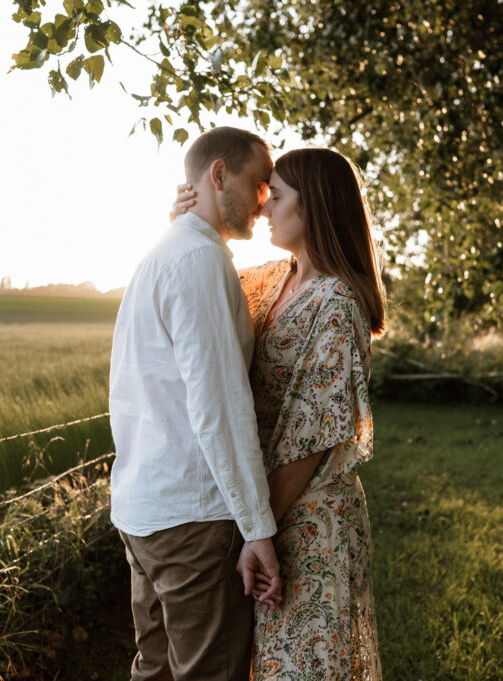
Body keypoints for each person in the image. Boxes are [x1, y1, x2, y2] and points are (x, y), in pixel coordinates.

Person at [173, 147, 385, 680]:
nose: (264, 207)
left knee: (304, 666)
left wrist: (255, 532)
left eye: (277, 195)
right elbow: (199, 289)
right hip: (270, 510)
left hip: (309, 518)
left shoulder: (337, 302)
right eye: (263, 194)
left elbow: (314, 439)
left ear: (312, 207)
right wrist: (184, 223)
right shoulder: (274, 279)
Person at [109, 126, 284, 681]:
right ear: (218, 175)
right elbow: (220, 405)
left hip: (144, 509)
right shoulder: (198, 262)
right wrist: (258, 529)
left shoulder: (170, 250)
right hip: (191, 517)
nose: (264, 200)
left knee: (155, 671)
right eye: (259, 183)